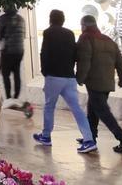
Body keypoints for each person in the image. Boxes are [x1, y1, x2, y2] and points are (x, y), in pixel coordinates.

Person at [34, 9, 97, 153]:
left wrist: (45, 71)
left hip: (54, 76)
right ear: (63, 20)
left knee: (49, 106)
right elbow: (75, 53)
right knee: (76, 108)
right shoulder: (69, 33)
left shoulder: (48, 32)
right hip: (69, 77)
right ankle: (89, 139)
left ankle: (46, 136)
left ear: (51, 19)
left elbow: (44, 53)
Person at [75, 15, 122, 152]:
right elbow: (121, 63)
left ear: (84, 26)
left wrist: (79, 78)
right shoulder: (109, 40)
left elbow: (84, 61)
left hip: (94, 82)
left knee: (104, 113)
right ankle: (90, 137)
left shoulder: (86, 38)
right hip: (107, 83)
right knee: (92, 111)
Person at [0, 6, 26, 105]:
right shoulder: (21, 19)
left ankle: (8, 98)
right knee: (16, 73)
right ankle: (16, 96)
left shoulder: (3, 18)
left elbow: (0, 35)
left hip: (8, 51)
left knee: (5, 74)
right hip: (19, 51)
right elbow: (24, 35)